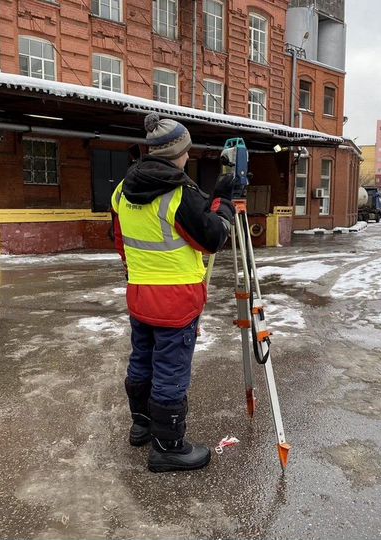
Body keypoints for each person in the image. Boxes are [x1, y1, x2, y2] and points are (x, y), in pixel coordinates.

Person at [110, 113, 236, 473]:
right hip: (177, 303)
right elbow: (212, 238)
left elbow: (121, 241)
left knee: (142, 359)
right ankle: (168, 447)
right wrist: (224, 203)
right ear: (180, 151)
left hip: (140, 295)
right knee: (170, 371)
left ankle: (143, 425)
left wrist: (138, 271)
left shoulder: (123, 189)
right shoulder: (180, 194)